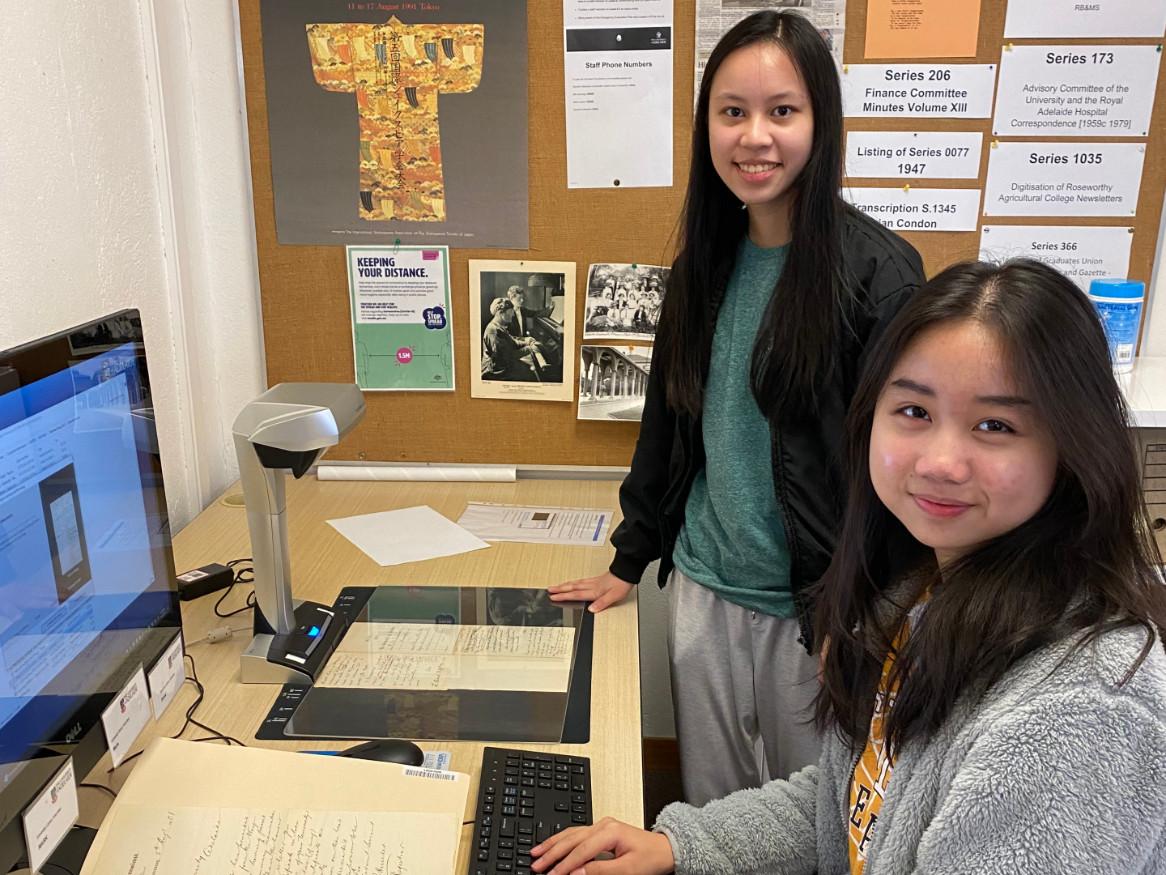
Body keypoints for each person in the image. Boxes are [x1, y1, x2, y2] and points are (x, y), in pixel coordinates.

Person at [530, 259, 1166, 875]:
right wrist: (679, 846)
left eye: (994, 424)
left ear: (1073, 444)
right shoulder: (920, 596)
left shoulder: (1077, 712)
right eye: (914, 412)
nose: (941, 461)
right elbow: (850, 805)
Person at [547, 9, 924, 804]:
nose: (755, 136)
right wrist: (630, 555)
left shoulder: (879, 276)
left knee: (815, 816)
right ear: (707, 127)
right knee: (715, 815)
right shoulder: (702, 266)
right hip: (704, 591)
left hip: (816, 614)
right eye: (733, 112)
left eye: (782, 111)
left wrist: (863, 610)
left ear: (821, 121)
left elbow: (898, 469)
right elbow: (672, 422)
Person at [481, 297, 539, 382]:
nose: (512, 315)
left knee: (530, 369)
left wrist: (526, 341)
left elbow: (512, 342)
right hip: (495, 372)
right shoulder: (493, 331)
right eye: (511, 312)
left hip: (502, 365)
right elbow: (506, 357)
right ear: (501, 313)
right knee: (531, 374)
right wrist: (530, 349)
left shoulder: (499, 326)